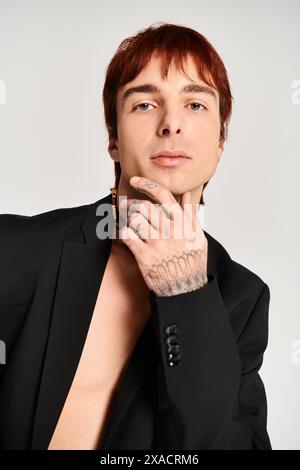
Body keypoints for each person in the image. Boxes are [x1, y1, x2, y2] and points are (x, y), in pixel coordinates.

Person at [0, 22, 272, 450]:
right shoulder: (14, 250)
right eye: (145, 104)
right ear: (113, 137)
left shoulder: (242, 300)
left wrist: (185, 293)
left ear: (221, 141)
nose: (171, 124)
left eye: (196, 104)